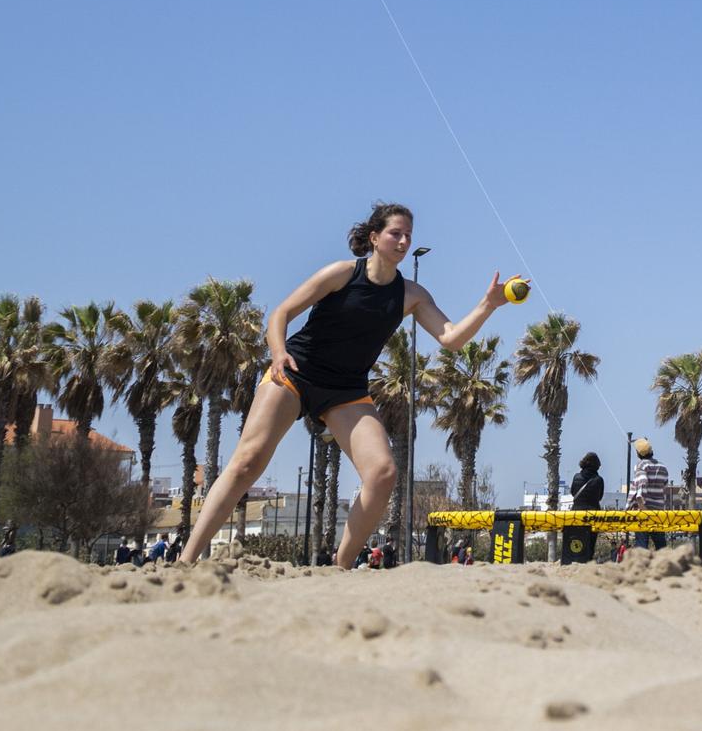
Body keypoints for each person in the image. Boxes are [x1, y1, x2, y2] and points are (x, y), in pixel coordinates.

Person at [178, 202, 515, 568]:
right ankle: (186, 559)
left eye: (408, 236)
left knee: (383, 473)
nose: (403, 241)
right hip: (295, 372)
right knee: (247, 462)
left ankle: (340, 567)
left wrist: (488, 304)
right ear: (374, 237)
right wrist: (277, 354)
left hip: (346, 390)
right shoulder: (341, 274)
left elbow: (451, 338)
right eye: (395, 234)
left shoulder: (412, 295)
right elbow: (282, 313)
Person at [627, 438, 670, 549]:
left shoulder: (641, 465)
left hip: (644, 512)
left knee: (641, 546)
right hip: (659, 513)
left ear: (638, 453)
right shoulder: (663, 467)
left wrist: (640, 509)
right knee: (661, 546)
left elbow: (640, 490)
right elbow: (664, 488)